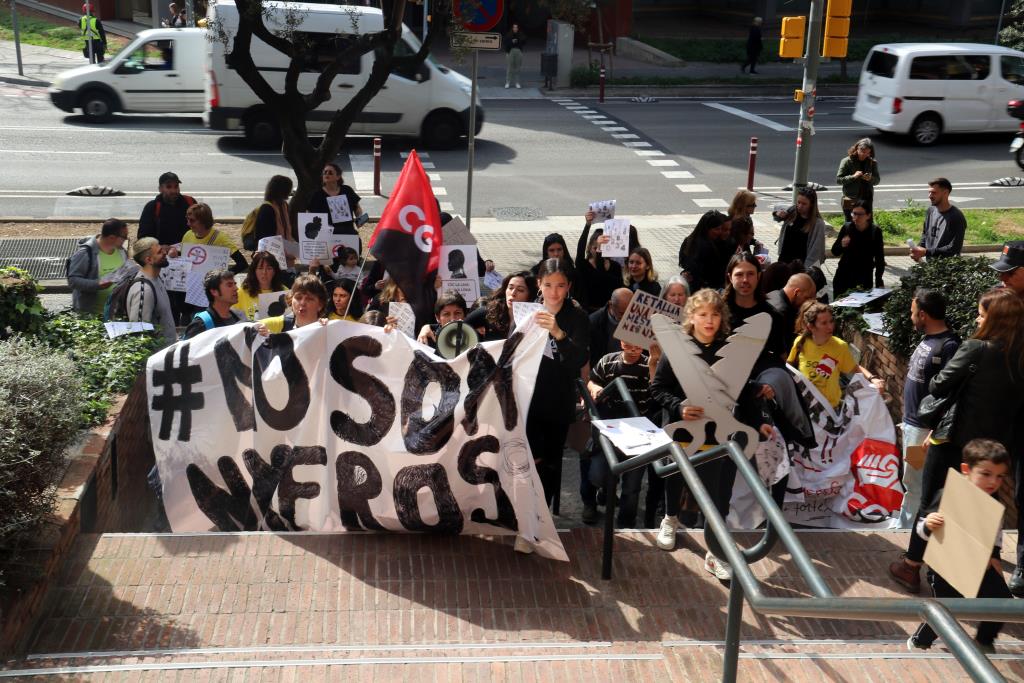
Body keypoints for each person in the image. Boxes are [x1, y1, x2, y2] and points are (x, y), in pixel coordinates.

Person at [890, 288, 1024, 597]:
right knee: (973, 510)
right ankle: (961, 576)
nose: (977, 317)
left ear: (997, 319)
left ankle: (911, 567)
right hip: (992, 450)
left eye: (981, 313)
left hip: (952, 441)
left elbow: (939, 383)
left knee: (931, 505)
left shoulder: (976, 348)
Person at [650, 289, 774, 580]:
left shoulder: (732, 349)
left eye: (715, 314)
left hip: (721, 438)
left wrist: (758, 423)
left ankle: (715, 552)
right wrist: (678, 407)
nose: (709, 320)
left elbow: (744, 394)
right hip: (683, 433)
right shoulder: (676, 350)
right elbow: (658, 388)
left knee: (719, 493)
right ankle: (670, 519)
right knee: (675, 479)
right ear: (691, 317)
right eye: (703, 314)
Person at [906, 439, 1014, 654]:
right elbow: (921, 531)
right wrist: (928, 524)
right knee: (948, 607)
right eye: (986, 474)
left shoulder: (994, 503)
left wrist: (995, 559)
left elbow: (995, 536)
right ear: (966, 470)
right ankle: (921, 640)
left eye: (999, 476)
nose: (993, 481)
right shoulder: (947, 495)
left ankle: (984, 640)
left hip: (980, 564)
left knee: (1002, 601)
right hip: (947, 569)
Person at [518, 258, 590, 553]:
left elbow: (577, 361)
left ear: (569, 286)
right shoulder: (528, 310)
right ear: (539, 285)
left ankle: (541, 520)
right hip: (528, 395)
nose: (554, 292)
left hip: (558, 398)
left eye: (560, 286)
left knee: (549, 461)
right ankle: (525, 522)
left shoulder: (577, 316)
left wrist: (558, 333)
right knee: (527, 460)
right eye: (548, 285)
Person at [725, 253, 816, 452]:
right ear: (729, 276)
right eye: (740, 274)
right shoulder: (718, 312)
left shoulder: (771, 314)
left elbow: (779, 357)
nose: (745, 280)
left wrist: (771, 383)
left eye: (750, 274)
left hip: (761, 390)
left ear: (759, 276)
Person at [897, 289, 960, 529]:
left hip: (924, 431)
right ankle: (908, 525)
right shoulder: (928, 340)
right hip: (913, 425)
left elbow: (953, 393)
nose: (911, 317)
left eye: (913, 313)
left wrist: (935, 431)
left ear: (923, 315)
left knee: (916, 484)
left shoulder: (949, 346)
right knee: (911, 481)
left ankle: (907, 533)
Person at [584, 341, 652, 528]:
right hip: (611, 430)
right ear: (621, 342)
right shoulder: (608, 361)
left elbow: (657, 385)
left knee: (632, 486)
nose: (633, 348)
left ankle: (626, 523)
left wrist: (655, 361)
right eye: (628, 343)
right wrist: (595, 387)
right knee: (598, 474)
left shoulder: (648, 365)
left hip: (640, 432)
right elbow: (593, 379)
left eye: (637, 344)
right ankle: (605, 491)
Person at [788, 301, 886, 410]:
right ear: (811, 327)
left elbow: (854, 368)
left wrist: (873, 379)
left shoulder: (840, 346)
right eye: (824, 323)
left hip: (830, 408)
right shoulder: (800, 342)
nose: (830, 327)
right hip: (804, 405)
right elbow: (789, 368)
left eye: (831, 321)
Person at [67, 218, 129, 315]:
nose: (126, 240)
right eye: (124, 237)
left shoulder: (122, 252)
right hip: (92, 317)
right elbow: (73, 281)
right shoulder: (85, 253)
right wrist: (97, 284)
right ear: (112, 237)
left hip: (116, 313)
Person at [126, 237, 177, 347]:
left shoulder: (157, 279)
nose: (165, 252)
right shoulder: (143, 290)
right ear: (148, 260)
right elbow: (138, 335)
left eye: (162, 249)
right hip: (156, 359)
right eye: (159, 252)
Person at [830, 200, 885, 298]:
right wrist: (842, 245)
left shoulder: (875, 232)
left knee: (860, 310)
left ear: (868, 215)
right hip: (843, 277)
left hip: (863, 279)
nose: (856, 217)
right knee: (839, 309)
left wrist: (879, 282)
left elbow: (879, 259)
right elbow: (835, 251)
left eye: (860, 214)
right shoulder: (847, 228)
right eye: (854, 213)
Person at [464, 271, 537, 341]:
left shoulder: (535, 318)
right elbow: (460, 327)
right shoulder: (490, 311)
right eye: (510, 288)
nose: (513, 293)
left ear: (530, 295)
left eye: (520, 290)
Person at [575, 210, 622, 312]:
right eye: (595, 247)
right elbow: (580, 251)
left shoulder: (615, 267)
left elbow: (603, 277)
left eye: (601, 248)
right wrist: (587, 225)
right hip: (588, 312)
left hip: (609, 312)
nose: (597, 251)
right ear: (590, 247)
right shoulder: (584, 265)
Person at [180, 203, 248, 273]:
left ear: (204, 221)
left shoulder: (221, 238)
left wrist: (221, 277)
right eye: (187, 219)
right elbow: (183, 261)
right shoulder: (187, 235)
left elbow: (242, 264)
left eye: (192, 220)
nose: (188, 223)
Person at [910, 178, 966, 262]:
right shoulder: (930, 211)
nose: (930, 196)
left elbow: (953, 248)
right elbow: (925, 234)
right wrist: (918, 249)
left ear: (945, 193)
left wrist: (926, 252)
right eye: (929, 192)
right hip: (930, 265)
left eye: (934, 193)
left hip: (947, 268)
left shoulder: (956, 217)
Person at [255, 274, 329, 334]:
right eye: (298, 298)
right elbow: (248, 328)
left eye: (309, 299)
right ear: (291, 299)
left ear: (320, 305)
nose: (302, 303)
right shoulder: (280, 324)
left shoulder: (328, 328)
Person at [307, 163, 363, 240]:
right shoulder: (317, 194)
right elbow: (309, 213)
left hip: (348, 232)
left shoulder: (347, 190)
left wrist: (359, 219)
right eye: (325, 172)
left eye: (330, 172)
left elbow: (357, 208)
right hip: (326, 235)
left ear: (338, 176)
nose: (327, 174)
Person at [182, 269, 244, 339]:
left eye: (235, 284)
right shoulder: (200, 325)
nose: (236, 288)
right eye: (229, 285)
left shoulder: (239, 317)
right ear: (214, 292)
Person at [776, 188, 826, 270]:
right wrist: (778, 214)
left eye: (804, 204)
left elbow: (816, 250)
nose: (800, 206)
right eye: (798, 202)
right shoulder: (792, 211)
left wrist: (807, 270)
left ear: (811, 204)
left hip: (801, 267)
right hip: (784, 261)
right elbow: (777, 215)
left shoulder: (818, 224)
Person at [678, 210, 729, 291]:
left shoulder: (690, 240)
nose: (719, 232)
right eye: (716, 229)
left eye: (720, 229)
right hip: (705, 289)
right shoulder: (706, 246)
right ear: (707, 229)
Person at [588, 288, 633, 378]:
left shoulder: (638, 318)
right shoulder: (594, 322)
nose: (625, 317)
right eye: (621, 313)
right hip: (605, 372)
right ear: (611, 305)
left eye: (629, 312)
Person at [765, 272, 816, 349]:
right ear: (797, 292)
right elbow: (787, 349)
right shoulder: (784, 313)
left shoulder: (773, 293)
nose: (809, 303)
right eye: (807, 298)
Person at [234, 251, 289, 321]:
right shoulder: (242, 292)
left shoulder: (284, 292)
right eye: (260, 268)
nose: (264, 272)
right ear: (254, 271)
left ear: (274, 271)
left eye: (269, 268)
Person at [836, 138, 880, 221]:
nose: (865, 155)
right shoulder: (847, 161)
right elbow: (839, 179)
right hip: (851, 197)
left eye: (868, 153)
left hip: (866, 198)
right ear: (857, 149)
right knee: (850, 222)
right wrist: (853, 176)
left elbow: (877, 180)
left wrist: (870, 178)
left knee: (867, 222)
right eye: (862, 151)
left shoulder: (872, 163)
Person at [253, 175, 295, 246]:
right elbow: (264, 236)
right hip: (272, 249)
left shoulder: (284, 205)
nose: (290, 191)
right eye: (289, 189)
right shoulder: (266, 209)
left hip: (284, 248)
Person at [504, 23, 525, 89]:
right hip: (510, 51)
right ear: (512, 28)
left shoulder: (521, 34)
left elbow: (524, 41)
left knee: (518, 68)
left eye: (516, 27)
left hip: (518, 51)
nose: (515, 29)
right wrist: (511, 41)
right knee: (510, 67)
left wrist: (518, 40)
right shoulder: (508, 35)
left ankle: (517, 82)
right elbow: (505, 43)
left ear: (518, 28)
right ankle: (508, 82)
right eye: (514, 27)